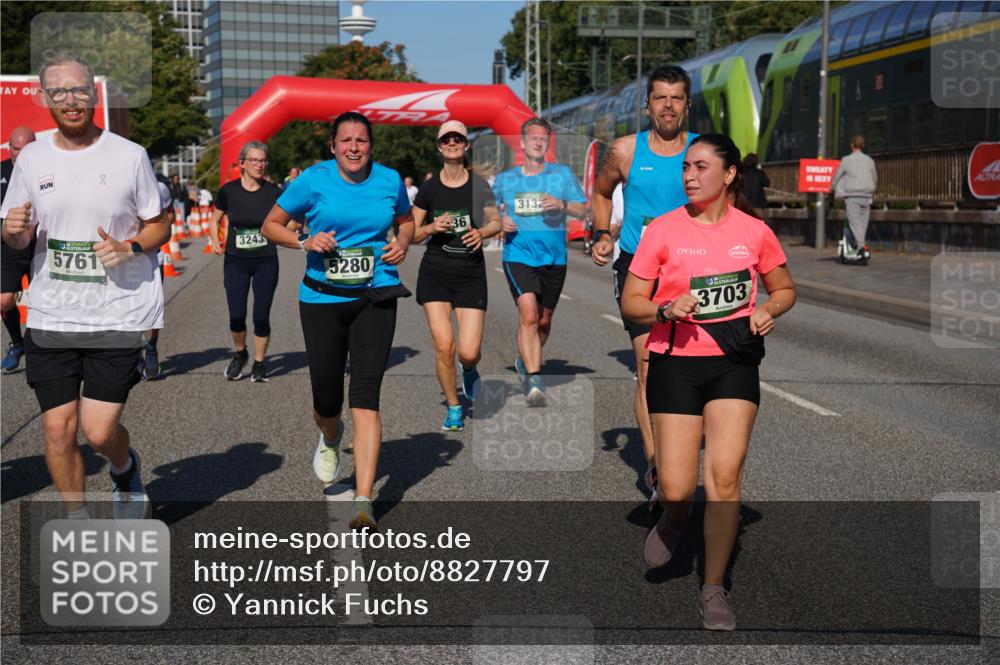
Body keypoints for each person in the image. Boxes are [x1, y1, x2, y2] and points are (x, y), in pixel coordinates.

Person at [621, 133, 796, 631]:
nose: (689, 175)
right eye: (685, 168)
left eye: (700, 167)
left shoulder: (754, 232)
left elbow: (785, 287)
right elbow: (632, 299)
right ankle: (675, 521)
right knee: (678, 489)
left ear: (729, 174)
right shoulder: (663, 230)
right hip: (675, 361)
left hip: (733, 364)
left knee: (723, 477)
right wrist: (663, 307)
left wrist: (768, 308)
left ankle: (713, 588)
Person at [0, 54, 169, 519]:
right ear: (45, 98)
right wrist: (13, 230)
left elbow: (161, 226)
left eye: (79, 91)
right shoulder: (31, 158)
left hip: (114, 311)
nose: (70, 100)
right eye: (59, 92)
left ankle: (123, 468)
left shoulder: (128, 155)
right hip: (53, 311)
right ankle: (77, 522)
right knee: (58, 429)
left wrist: (131, 246)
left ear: (93, 94)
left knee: (97, 432)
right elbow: (17, 234)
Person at [261, 112, 414, 530]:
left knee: (366, 397)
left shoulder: (389, 180)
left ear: (371, 146)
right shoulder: (313, 180)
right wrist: (304, 240)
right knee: (327, 401)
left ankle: (363, 499)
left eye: (361, 140)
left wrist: (401, 244)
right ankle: (330, 436)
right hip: (322, 299)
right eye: (345, 140)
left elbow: (405, 221)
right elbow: (270, 224)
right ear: (333, 145)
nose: (353, 147)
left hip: (375, 296)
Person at [591, 64, 698, 499]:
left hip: (694, 269)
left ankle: (682, 443)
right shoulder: (624, 151)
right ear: (647, 104)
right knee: (649, 367)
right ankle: (656, 469)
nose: (668, 106)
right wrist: (601, 234)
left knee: (695, 369)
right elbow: (601, 193)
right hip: (639, 268)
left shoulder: (703, 152)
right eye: (660, 97)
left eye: (676, 98)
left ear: (687, 104)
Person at [412, 120, 502, 430]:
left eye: (458, 139)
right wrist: (430, 228)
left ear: (465, 145)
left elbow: (496, 222)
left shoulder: (478, 186)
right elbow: (408, 233)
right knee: (444, 345)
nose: (452, 143)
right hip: (435, 270)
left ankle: (469, 369)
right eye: (446, 139)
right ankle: (453, 406)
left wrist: (481, 232)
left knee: (468, 351)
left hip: (470, 273)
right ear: (439, 147)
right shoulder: (429, 187)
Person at [492, 118, 588, 406]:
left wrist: (562, 205)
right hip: (518, 255)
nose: (537, 142)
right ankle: (534, 379)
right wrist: (500, 220)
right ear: (522, 143)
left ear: (547, 144)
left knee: (544, 321)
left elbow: (583, 212)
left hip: (554, 258)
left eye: (542, 138)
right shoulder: (505, 179)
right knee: (529, 315)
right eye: (531, 137)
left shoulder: (562, 175)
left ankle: (526, 356)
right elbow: (490, 213)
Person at [208, 141, 282, 382]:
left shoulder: (273, 192)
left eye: (263, 160)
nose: (260, 165)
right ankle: (241, 353)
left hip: (265, 261)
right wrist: (215, 240)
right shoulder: (228, 191)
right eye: (255, 160)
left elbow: (288, 220)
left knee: (261, 316)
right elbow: (215, 219)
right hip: (236, 261)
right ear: (243, 163)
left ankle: (259, 363)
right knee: (236, 315)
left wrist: (297, 231)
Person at [1, 126, 37, 373]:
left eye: (25, 149)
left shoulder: (48, 170)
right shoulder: (2, 171)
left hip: (39, 246)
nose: (20, 154)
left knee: (44, 302)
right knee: (5, 301)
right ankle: (17, 343)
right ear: (9, 148)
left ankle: (40, 347)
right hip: (8, 248)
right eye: (15, 149)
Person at [831, 134, 877, 263]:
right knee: (862, 224)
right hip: (867, 196)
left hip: (853, 196)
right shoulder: (869, 160)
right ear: (863, 146)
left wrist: (831, 188)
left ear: (852, 145)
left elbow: (837, 175)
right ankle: (860, 248)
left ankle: (862, 248)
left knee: (855, 223)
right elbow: (874, 177)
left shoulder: (846, 160)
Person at [741, 153, 770, 219]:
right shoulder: (759, 173)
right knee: (757, 225)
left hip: (743, 204)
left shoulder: (741, 173)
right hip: (757, 204)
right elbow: (767, 183)